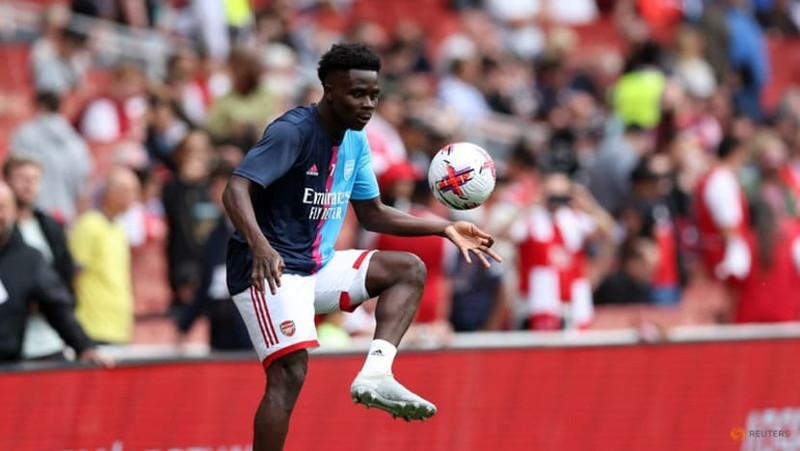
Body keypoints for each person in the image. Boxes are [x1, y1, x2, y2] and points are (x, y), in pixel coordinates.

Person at [222, 43, 500, 450]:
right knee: (290, 373)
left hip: (316, 266)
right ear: (329, 89)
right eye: (357, 94)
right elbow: (235, 189)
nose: (368, 104)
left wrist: (444, 229)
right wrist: (261, 246)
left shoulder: (355, 140)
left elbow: (373, 214)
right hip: (267, 269)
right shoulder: (292, 131)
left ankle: (376, 374)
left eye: (373, 95)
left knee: (408, 269)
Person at [0, 181, 110, 366]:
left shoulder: (29, 259)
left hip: (7, 368)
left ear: (13, 212)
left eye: (2, 207)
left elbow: (57, 306)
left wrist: (84, 347)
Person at [4, 157, 78, 360]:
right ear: (7, 182)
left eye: (34, 179)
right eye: (22, 178)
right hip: (11, 343)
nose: (29, 185)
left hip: (51, 339)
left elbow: (65, 274)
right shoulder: (4, 234)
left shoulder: (50, 227)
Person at [70, 167, 140, 344]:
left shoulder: (119, 229)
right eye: (128, 191)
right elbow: (73, 274)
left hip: (118, 326)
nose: (133, 197)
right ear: (110, 193)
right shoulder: (88, 225)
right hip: (92, 326)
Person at [10, 91, 93, 223]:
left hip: (32, 217)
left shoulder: (24, 134)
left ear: (39, 106)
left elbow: (13, 175)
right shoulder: (77, 141)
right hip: (66, 216)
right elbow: (83, 187)